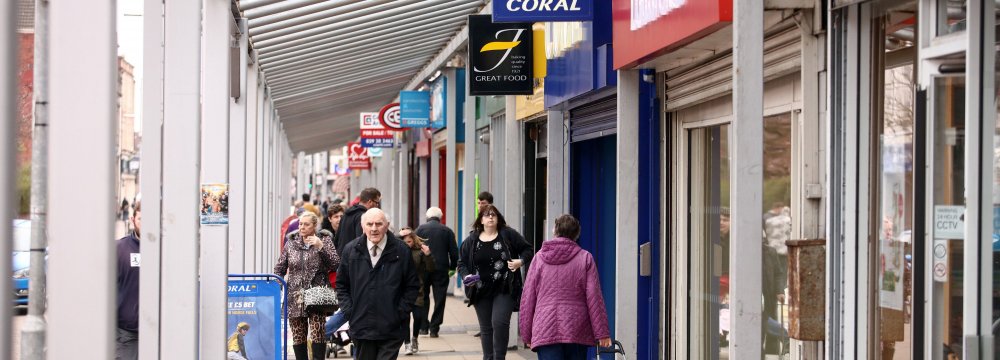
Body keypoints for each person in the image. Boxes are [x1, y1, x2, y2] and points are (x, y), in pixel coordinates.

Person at [519, 214, 610, 359]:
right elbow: (594, 298)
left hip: (544, 328)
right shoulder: (585, 258)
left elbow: (528, 297)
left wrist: (526, 333)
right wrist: (602, 333)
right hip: (576, 329)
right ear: (576, 234)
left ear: (555, 231)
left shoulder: (539, 258)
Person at [336, 208, 420, 360]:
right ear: (363, 226)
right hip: (361, 326)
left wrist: (400, 311)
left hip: (392, 327)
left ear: (387, 225)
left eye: (378, 224)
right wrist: (350, 311)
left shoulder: (401, 251)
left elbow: (412, 285)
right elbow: (341, 285)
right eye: (370, 224)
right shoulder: (351, 250)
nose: (374, 228)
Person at [457, 204, 533, 360]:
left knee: (499, 323)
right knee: (486, 328)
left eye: (493, 215)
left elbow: (528, 250)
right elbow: (461, 263)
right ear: (481, 220)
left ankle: (499, 357)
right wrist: (465, 277)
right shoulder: (472, 240)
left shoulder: (507, 234)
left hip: (505, 287)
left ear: (498, 219)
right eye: (486, 215)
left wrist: (521, 261)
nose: (490, 217)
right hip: (480, 289)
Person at [274, 212, 340, 360]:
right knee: (298, 335)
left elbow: (335, 264)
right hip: (295, 296)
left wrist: (321, 246)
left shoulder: (324, 239)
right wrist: (276, 286)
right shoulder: (291, 242)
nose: (302, 227)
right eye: (300, 224)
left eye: (306, 224)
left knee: (318, 333)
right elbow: (279, 268)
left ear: (314, 226)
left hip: (317, 294)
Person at [414, 206, 458, 338]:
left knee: (423, 296)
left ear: (427, 217)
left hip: (424, 268)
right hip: (441, 269)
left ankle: (423, 327)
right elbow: (454, 252)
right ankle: (434, 328)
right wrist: (453, 267)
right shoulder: (447, 231)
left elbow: (415, 248)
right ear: (440, 217)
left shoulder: (420, 229)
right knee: (440, 298)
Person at [399, 227, 436, 355]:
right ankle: (407, 343)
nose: (406, 245)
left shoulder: (419, 251)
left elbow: (431, 268)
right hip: (401, 290)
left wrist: (428, 254)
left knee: (418, 316)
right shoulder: (396, 251)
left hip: (417, 289)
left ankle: (415, 338)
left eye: (408, 242)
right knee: (404, 318)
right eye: (404, 242)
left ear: (413, 241)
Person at [116, 199, 142, 360]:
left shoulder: (164, 249)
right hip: (126, 334)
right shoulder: (120, 249)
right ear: (133, 220)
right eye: (141, 219)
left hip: (159, 332)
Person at [335, 188, 382, 257]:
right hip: (354, 260)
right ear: (370, 202)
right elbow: (361, 242)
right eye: (377, 202)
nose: (377, 206)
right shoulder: (363, 216)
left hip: (343, 258)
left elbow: (337, 239)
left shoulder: (346, 214)